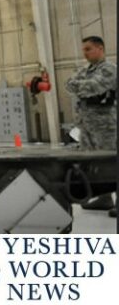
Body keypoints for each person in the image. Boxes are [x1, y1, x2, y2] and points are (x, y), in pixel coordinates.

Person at [65, 36, 116, 217]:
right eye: (83, 50)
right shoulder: (85, 70)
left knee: (112, 162)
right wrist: (81, 86)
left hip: (106, 125)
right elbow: (68, 85)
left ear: (100, 48)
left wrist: (80, 86)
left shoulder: (109, 69)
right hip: (87, 125)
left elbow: (95, 87)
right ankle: (104, 197)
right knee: (94, 163)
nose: (84, 53)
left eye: (88, 49)